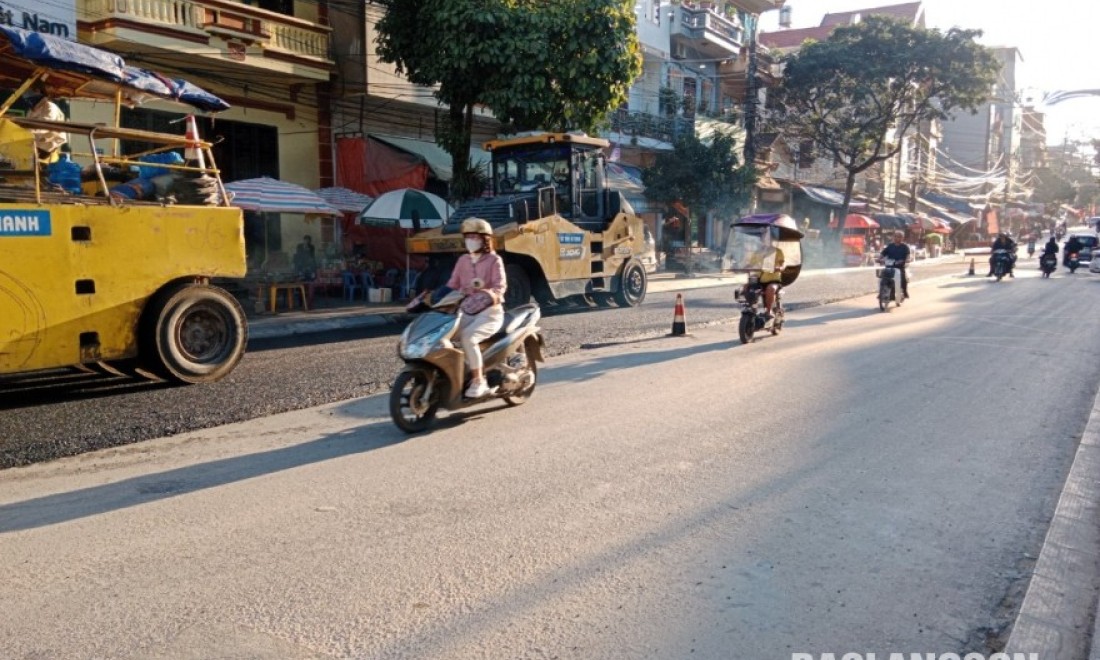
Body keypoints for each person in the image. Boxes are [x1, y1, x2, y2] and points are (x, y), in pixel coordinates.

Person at [446, 218, 507, 399]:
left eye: (475, 237)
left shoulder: (494, 260)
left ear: (484, 239)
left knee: (468, 338)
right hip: (465, 311)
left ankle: (479, 380)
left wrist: (487, 295)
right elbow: (452, 285)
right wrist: (430, 297)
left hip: (489, 314)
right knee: (443, 336)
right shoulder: (463, 260)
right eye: (468, 237)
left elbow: (500, 287)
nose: (470, 241)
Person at [879, 230, 911, 298]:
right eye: (895, 236)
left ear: (902, 238)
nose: (897, 238)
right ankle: (881, 292)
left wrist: (906, 260)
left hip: (899, 267)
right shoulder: (890, 246)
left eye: (899, 237)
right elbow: (883, 253)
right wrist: (879, 258)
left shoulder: (905, 247)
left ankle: (905, 292)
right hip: (889, 266)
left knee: (902, 278)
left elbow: (908, 255)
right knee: (882, 277)